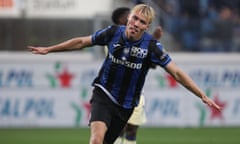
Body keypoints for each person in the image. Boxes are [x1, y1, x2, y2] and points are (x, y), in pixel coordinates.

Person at [28, 4, 221, 144]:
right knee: (96, 140)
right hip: (103, 94)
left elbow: (177, 73)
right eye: (134, 18)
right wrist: (50, 49)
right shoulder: (112, 32)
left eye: (142, 22)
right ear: (129, 18)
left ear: (147, 27)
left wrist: (201, 94)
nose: (136, 23)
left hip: (126, 105)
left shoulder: (152, 47)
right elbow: (81, 42)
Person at [111, 7, 163, 144]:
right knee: (117, 129)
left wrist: (153, 44)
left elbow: (151, 65)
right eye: (130, 16)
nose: (134, 20)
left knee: (132, 129)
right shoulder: (113, 36)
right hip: (115, 92)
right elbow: (127, 58)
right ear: (120, 20)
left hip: (135, 92)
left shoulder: (142, 41)